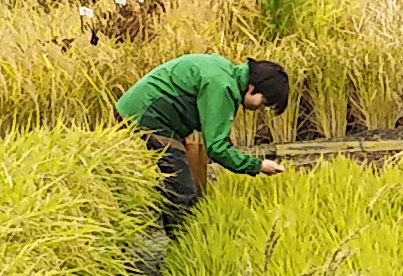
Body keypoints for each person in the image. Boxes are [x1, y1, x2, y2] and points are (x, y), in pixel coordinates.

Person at [114, 53, 288, 228]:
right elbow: (217, 149)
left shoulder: (224, 72)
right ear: (251, 87)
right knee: (182, 193)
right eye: (263, 102)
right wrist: (258, 166)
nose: (260, 108)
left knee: (171, 182)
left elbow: (216, 134)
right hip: (146, 116)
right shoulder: (221, 87)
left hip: (142, 111)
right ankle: (183, 248)